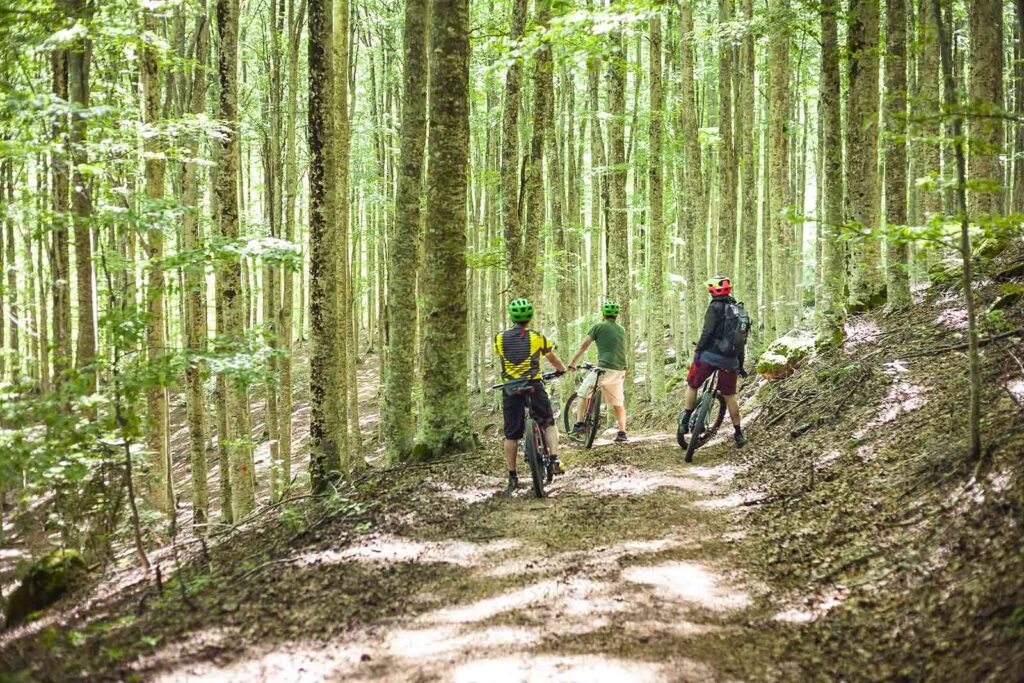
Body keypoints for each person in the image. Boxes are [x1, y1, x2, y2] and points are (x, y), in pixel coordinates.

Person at [493, 298, 567, 494]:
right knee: (548, 422)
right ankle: (554, 459)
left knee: (511, 435)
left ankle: (512, 476)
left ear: (512, 317)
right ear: (530, 317)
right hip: (534, 386)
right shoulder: (538, 338)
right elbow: (553, 358)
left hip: (511, 389)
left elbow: (501, 356)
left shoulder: (499, 338)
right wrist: (561, 370)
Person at [680, 276, 749, 447]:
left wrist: (698, 352)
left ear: (713, 291)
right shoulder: (739, 311)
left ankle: (685, 420)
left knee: (692, 384)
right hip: (730, 361)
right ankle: (739, 434)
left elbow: (707, 332)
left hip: (710, 356)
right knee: (730, 397)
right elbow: (741, 343)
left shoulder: (715, 307)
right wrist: (740, 364)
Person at [567, 300, 629, 443]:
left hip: (604, 369)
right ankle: (622, 433)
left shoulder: (598, 327)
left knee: (583, 392)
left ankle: (579, 424)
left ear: (603, 313)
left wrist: (572, 363)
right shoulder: (621, 329)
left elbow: (584, 346)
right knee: (618, 402)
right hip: (620, 370)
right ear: (616, 315)